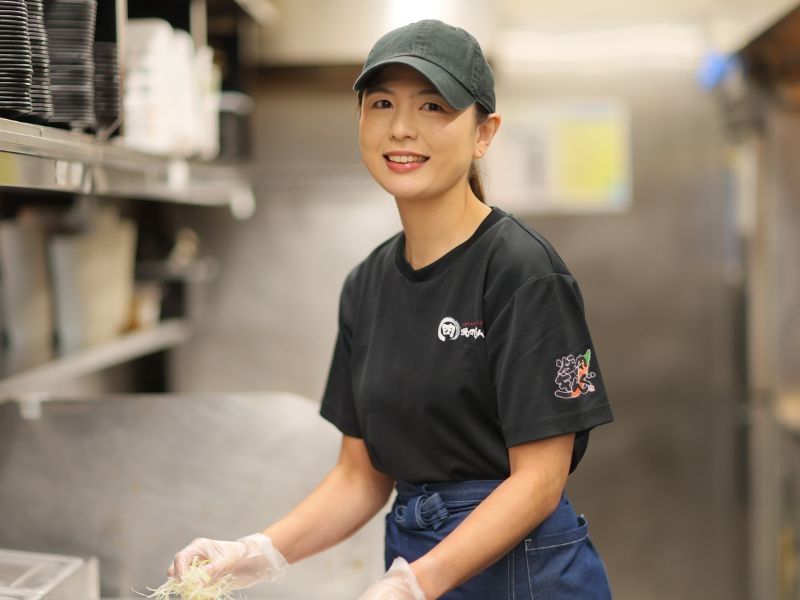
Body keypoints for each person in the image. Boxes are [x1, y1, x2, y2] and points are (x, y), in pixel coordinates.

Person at [168, 19, 614, 599]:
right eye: (382, 103)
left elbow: (539, 482)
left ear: (484, 132)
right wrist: (254, 553)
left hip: (524, 575)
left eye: (433, 106)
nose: (401, 128)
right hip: (417, 557)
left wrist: (414, 583)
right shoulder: (367, 284)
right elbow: (360, 477)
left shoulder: (521, 270)